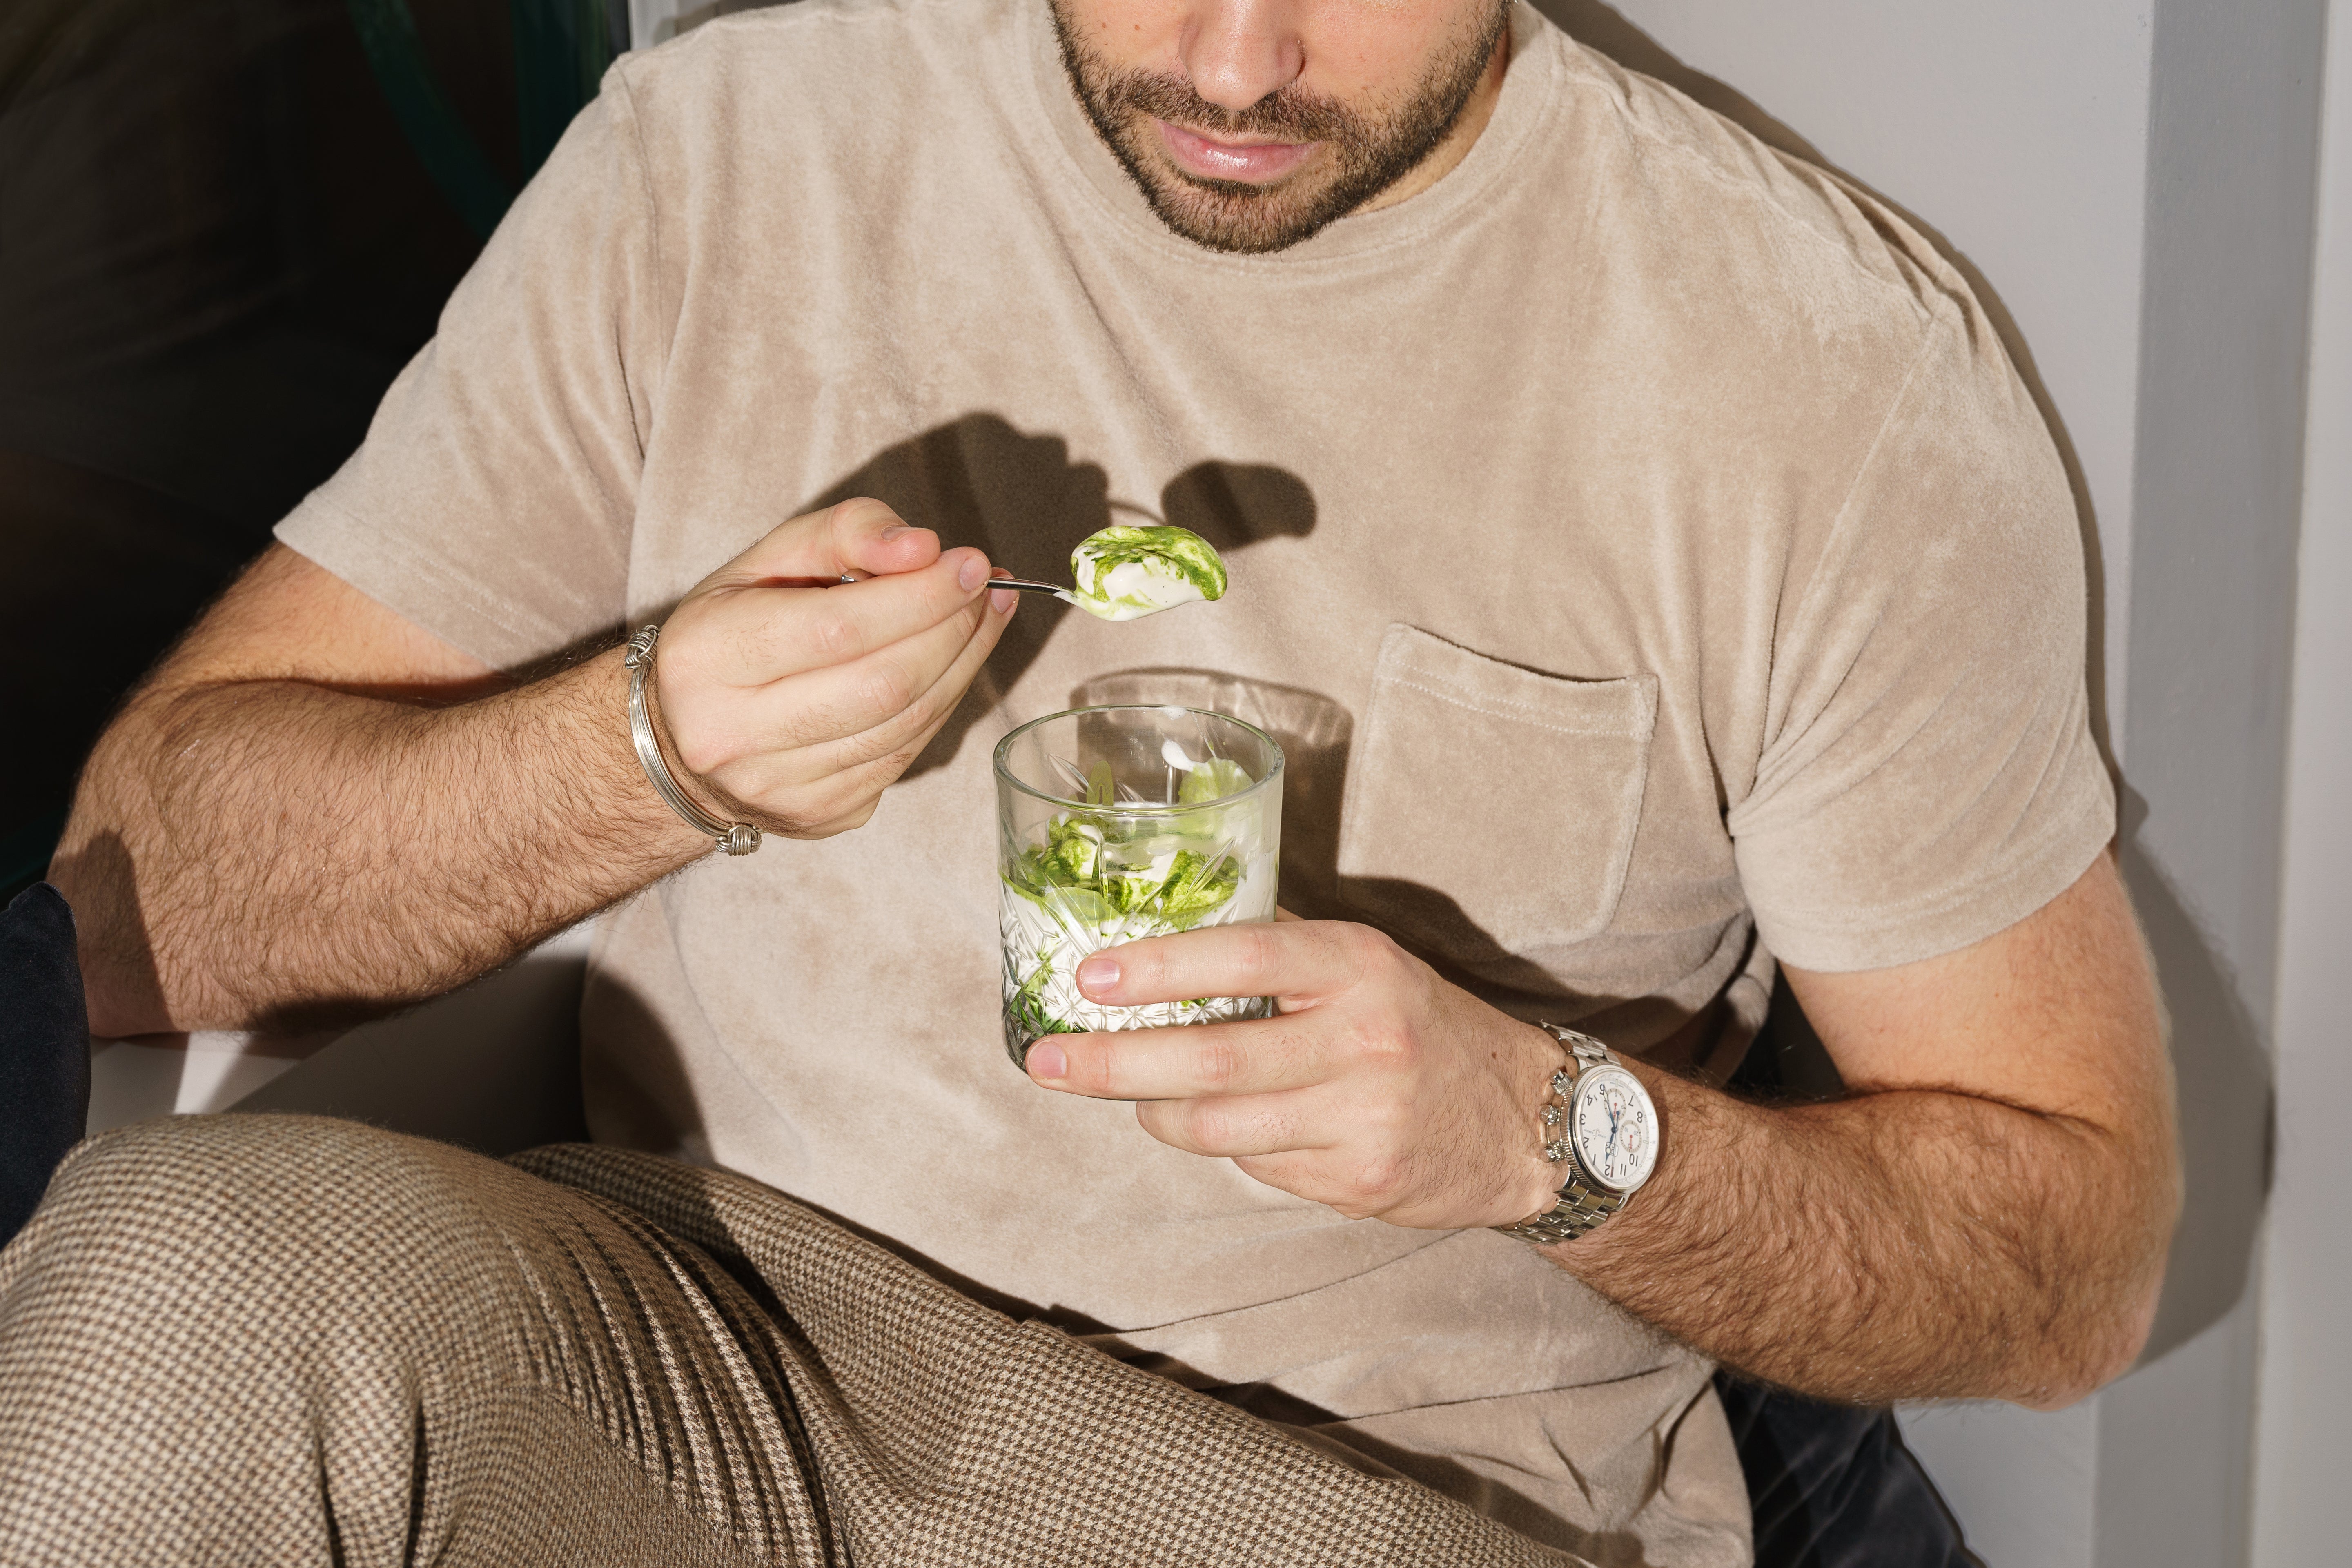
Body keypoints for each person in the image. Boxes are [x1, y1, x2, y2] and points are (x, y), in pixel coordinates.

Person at [9, 0, 2179, 1561]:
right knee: (167, 1272)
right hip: (709, 1372)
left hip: (1363, 1482)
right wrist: (643, 750)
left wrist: (1542, 1131)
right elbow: (131, 909)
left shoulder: (1823, 376)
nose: (1233, 63)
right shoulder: (734, 159)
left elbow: (2076, 1264)